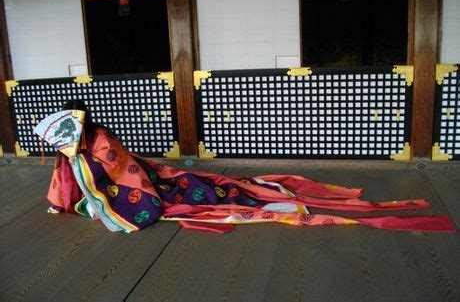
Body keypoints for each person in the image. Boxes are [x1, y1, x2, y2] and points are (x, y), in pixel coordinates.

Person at [46, 100, 455, 233]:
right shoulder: (73, 151)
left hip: (144, 183)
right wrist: (64, 194)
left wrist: (86, 164)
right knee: (205, 190)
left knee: (208, 187)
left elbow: (121, 169)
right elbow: (65, 181)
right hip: (119, 187)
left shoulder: (101, 139)